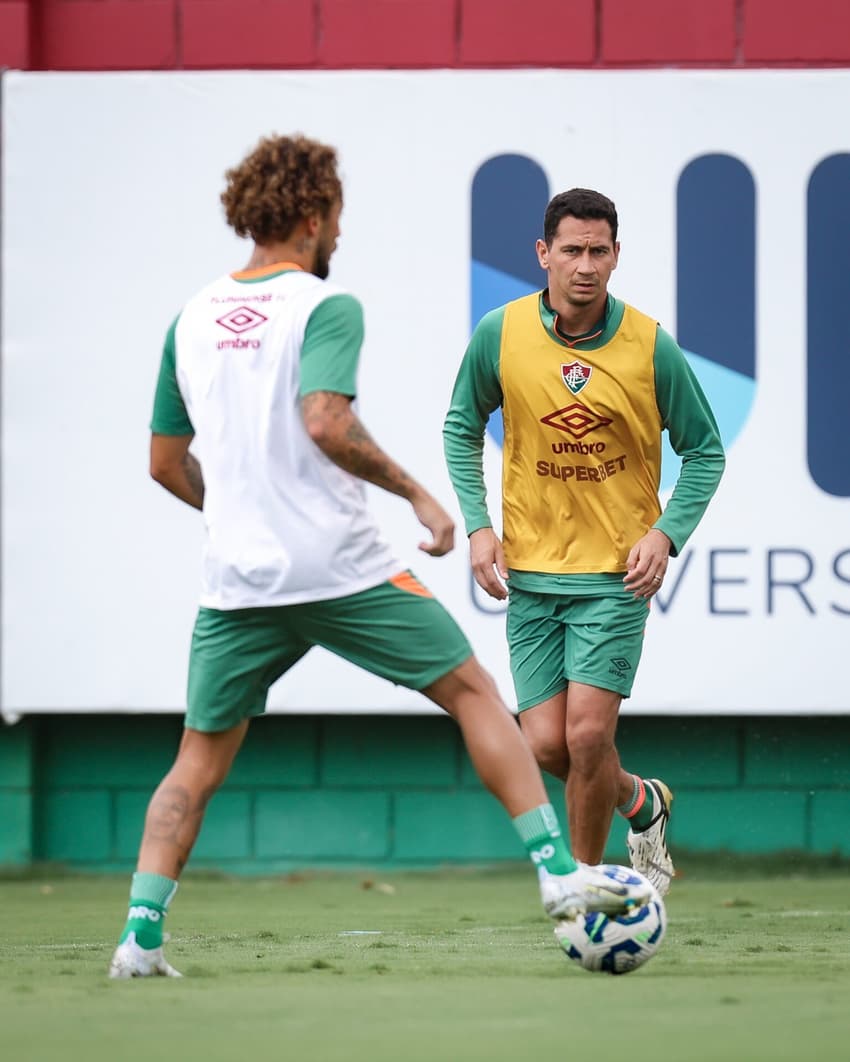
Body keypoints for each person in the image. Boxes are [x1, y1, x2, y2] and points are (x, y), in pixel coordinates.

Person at [108, 141, 650, 979]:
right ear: (315, 215)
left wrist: (239, 515)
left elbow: (162, 462)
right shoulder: (324, 305)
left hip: (237, 581)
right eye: (337, 217)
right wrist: (418, 497)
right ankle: (557, 878)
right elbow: (326, 421)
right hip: (341, 568)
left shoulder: (189, 317)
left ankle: (139, 940)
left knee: (197, 759)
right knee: (473, 694)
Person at [443, 187, 725, 898]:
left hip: (613, 578)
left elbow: (706, 450)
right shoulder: (499, 334)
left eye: (599, 250)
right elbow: (459, 425)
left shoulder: (650, 345)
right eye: (571, 249)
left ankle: (585, 890)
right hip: (532, 577)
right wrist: (478, 524)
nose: (585, 265)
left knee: (587, 738)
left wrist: (665, 533)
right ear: (543, 254)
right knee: (544, 745)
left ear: (617, 256)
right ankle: (642, 803)